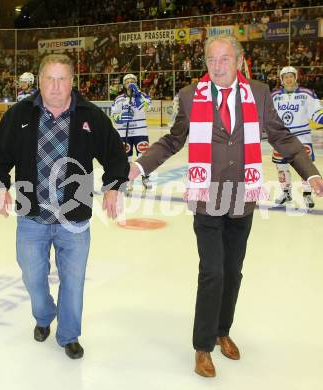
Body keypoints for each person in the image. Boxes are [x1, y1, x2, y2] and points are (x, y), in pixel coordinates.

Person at [129, 35, 323, 378]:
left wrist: (310, 173)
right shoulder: (190, 96)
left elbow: (282, 137)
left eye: (224, 59)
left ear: (239, 61)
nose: (217, 67)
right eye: (211, 60)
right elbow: (174, 139)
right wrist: (140, 166)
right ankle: (203, 346)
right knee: (213, 272)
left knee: (233, 272)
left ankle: (223, 331)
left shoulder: (259, 93)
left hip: (242, 197)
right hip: (206, 197)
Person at [0, 54, 129, 359]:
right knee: (32, 276)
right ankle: (43, 315)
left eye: (62, 78)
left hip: (74, 220)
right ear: (39, 81)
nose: (55, 86)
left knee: (73, 281)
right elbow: (0, 156)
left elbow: (115, 155)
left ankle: (68, 334)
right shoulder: (19, 114)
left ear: (72, 81)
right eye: (49, 78)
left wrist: (114, 186)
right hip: (32, 217)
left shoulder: (89, 115)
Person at [271, 66, 323, 208]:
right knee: (281, 167)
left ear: (295, 78)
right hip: (281, 138)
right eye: (285, 77)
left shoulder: (307, 94)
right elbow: (268, 116)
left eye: (291, 76)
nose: (288, 79)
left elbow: (317, 114)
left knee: (304, 167)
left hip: (302, 137)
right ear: (281, 80)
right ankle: (286, 193)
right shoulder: (274, 96)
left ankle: (307, 195)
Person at [111, 73, 152, 191]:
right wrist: (121, 117)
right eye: (128, 82)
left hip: (141, 131)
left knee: (143, 155)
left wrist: (138, 94)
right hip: (124, 133)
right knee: (126, 157)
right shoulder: (119, 99)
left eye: (132, 81)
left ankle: (146, 177)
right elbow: (114, 116)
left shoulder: (143, 95)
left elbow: (145, 107)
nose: (130, 83)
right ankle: (128, 179)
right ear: (124, 84)